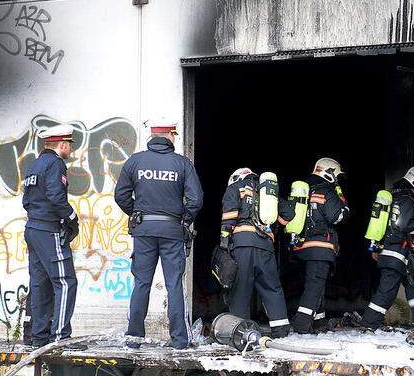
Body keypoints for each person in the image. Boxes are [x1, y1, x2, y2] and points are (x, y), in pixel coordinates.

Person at [114, 120, 203, 349]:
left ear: (152, 137)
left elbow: (121, 195)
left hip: (143, 231)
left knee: (141, 283)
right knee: (174, 284)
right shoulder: (182, 164)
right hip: (173, 231)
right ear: (170, 135)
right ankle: (180, 341)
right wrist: (185, 219)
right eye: (175, 134)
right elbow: (196, 200)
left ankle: (134, 338)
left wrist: (137, 213)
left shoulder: (135, 162)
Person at [22, 124, 81, 348]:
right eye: (70, 146)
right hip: (49, 230)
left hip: (33, 230)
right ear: (63, 145)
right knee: (66, 282)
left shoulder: (34, 165)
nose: (70, 151)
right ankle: (60, 337)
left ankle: (39, 337)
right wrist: (71, 217)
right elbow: (57, 197)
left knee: (40, 284)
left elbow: (26, 200)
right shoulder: (56, 164)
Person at [219, 168, 294, 338]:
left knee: (240, 288)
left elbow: (230, 213)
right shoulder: (267, 192)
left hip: (242, 245)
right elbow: (289, 214)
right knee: (272, 288)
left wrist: (224, 239)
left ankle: (239, 332)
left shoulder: (236, 187)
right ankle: (281, 329)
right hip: (266, 246)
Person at [360, 166, 414, 331]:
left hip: (397, 252)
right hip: (396, 252)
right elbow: (404, 223)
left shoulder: (395, 195)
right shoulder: (407, 198)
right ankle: (368, 324)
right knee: (387, 291)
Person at [290, 158, 349, 334]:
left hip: (302, 247)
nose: (337, 179)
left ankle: (318, 322)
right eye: (336, 176)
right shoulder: (326, 190)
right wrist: (344, 206)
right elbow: (337, 216)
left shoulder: (303, 190)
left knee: (315, 285)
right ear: (329, 173)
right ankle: (301, 324)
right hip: (320, 246)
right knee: (315, 287)